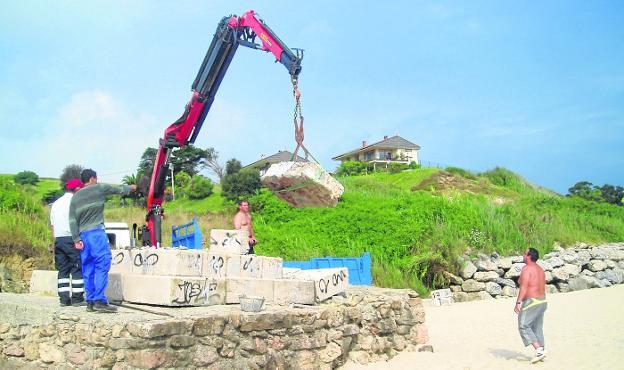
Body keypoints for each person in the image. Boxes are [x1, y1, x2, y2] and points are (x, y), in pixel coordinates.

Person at [69, 169, 136, 313]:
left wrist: (76, 239)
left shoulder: (75, 197)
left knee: (88, 268)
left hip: (83, 236)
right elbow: (117, 189)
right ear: (92, 179)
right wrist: (132, 188)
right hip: (96, 234)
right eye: (96, 178)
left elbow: (72, 220)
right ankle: (100, 300)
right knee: (102, 263)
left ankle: (90, 302)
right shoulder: (98, 188)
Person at [49, 178, 85, 307]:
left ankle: (64, 300)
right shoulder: (75, 201)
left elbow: (52, 226)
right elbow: (80, 222)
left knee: (63, 270)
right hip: (72, 238)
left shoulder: (56, 204)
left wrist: (54, 243)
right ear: (76, 189)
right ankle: (77, 298)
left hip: (59, 240)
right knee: (76, 268)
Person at [515, 247, 548, 363]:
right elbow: (524, 282)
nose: (523, 255)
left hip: (532, 301)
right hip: (542, 301)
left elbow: (523, 287)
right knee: (537, 327)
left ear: (529, 256)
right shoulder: (540, 269)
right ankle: (542, 351)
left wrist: (518, 302)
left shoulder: (526, 268)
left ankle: (539, 350)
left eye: (525, 254)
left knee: (523, 325)